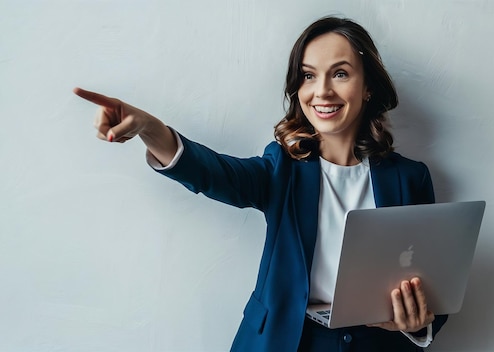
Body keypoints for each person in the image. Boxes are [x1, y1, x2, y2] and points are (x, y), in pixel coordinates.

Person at [75, 16, 447, 352]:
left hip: (375, 344)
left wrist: (419, 325)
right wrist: (149, 128)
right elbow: (214, 173)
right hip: (285, 340)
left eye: (340, 73)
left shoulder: (409, 178)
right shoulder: (282, 167)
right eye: (308, 75)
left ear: (367, 87)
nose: (322, 92)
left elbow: (439, 282)